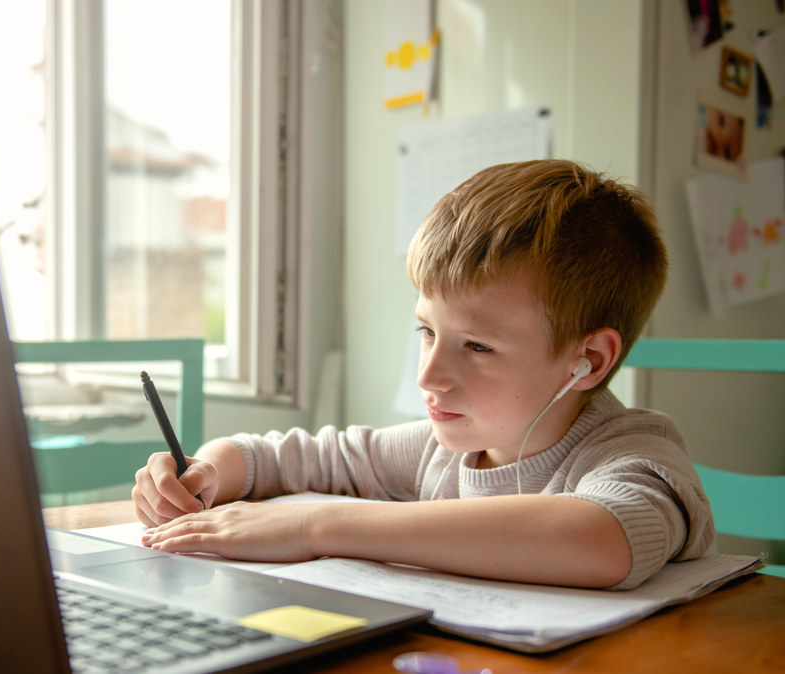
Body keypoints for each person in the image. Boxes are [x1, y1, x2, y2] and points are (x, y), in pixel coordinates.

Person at [132, 159, 715, 590]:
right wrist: (206, 472)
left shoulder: (636, 451)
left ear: (588, 361)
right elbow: (287, 457)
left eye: (478, 346)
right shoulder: (444, 451)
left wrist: (313, 526)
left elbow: (601, 537)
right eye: (427, 333)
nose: (430, 376)